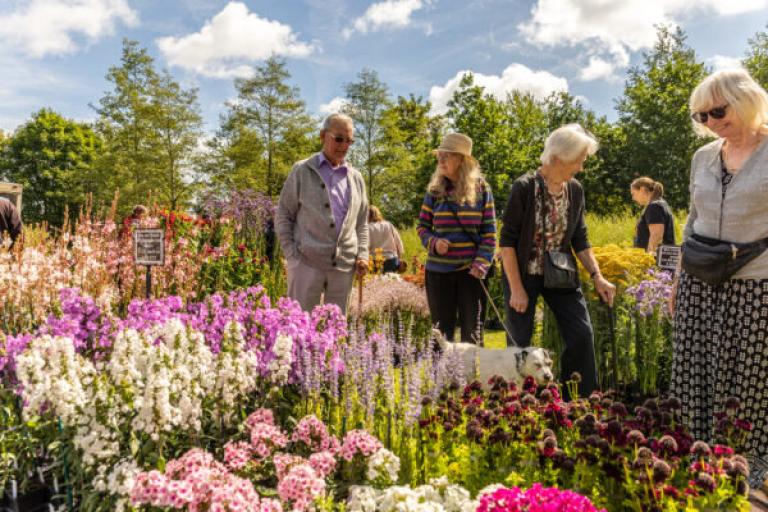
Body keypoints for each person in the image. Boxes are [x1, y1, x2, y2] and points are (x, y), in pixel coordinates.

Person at [670, 68, 768, 489]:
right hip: (700, 277)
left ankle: (748, 464)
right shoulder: (702, 157)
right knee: (694, 367)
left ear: (744, 100)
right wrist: (676, 278)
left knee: (749, 375)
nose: (709, 122)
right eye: (701, 116)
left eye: (717, 111)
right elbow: (692, 218)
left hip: (756, 279)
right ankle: (695, 453)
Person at [499, 124, 616, 400]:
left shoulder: (575, 190)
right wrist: (516, 289)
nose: (581, 167)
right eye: (579, 160)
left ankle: (579, 398)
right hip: (523, 275)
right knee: (520, 343)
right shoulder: (524, 187)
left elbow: (580, 238)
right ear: (558, 158)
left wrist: (597, 275)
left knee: (582, 334)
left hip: (560, 273)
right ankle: (517, 402)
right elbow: (506, 243)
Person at [276, 113, 369, 313]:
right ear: (322, 135)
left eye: (349, 141)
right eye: (338, 139)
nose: (344, 145)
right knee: (298, 328)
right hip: (306, 264)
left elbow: (361, 223)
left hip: (343, 268)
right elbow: (284, 214)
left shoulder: (356, 178)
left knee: (335, 333)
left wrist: (362, 255)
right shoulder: (302, 170)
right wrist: (292, 257)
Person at [417, 133, 496, 344]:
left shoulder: (482, 189)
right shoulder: (434, 191)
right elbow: (422, 227)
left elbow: (490, 232)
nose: (440, 160)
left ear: (462, 160)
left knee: (472, 334)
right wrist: (434, 243)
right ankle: (441, 377)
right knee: (441, 336)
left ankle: (471, 378)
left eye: (447, 156)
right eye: (439, 156)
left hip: (471, 274)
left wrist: (481, 263)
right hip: (439, 274)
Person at [630, 177, 676, 254]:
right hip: (662, 259)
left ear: (642, 189)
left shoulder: (654, 207)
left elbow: (656, 235)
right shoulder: (660, 204)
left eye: (633, 193)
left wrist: (648, 259)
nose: (633, 198)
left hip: (655, 261)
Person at [367, 206, 404, 273]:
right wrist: (399, 258)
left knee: (374, 283)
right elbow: (398, 241)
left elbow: (366, 246)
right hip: (391, 259)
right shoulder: (388, 224)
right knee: (391, 282)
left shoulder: (367, 228)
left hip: (374, 260)